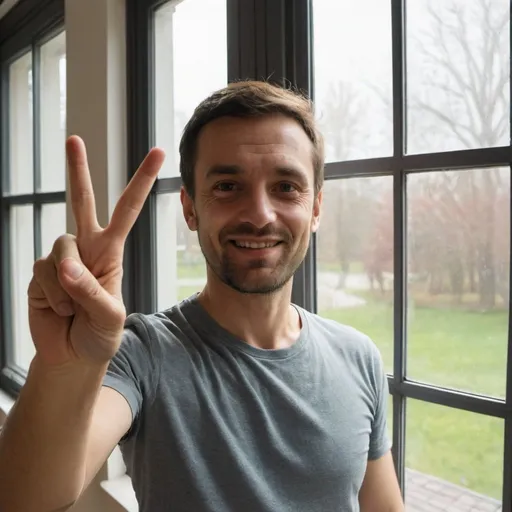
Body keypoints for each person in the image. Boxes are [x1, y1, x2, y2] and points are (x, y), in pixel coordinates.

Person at [0, 81, 404, 512]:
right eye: (228, 186)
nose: (260, 215)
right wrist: (67, 367)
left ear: (316, 208)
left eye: (286, 187)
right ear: (190, 209)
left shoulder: (359, 357)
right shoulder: (140, 354)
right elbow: (23, 500)